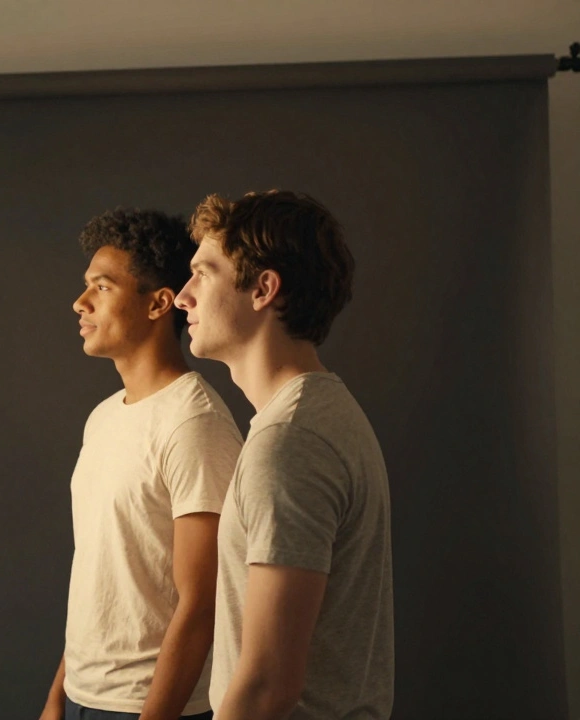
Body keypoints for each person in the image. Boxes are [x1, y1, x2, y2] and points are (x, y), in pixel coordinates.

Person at [173, 190, 393, 720]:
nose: (183, 296)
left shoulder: (290, 443)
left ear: (263, 289)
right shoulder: (312, 417)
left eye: (204, 273)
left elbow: (269, 684)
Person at [41, 208, 242, 720]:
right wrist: (56, 696)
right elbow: (103, 571)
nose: (79, 303)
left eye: (102, 287)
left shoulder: (194, 423)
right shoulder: (103, 419)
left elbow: (202, 602)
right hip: (83, 697)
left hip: (147, 706)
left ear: (158, 304)